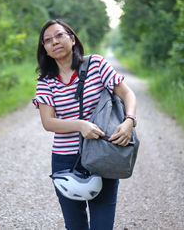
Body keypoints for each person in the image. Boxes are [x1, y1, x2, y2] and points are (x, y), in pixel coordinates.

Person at [33, 19, 137, 230]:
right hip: (64, 161)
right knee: (75, 226)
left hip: (102, 154)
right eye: (48, 40)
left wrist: (129, 121)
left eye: (60, 35)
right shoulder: (45, 80)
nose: (55, 41)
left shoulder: (96, 64)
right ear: (44, 48)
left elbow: (127, 93)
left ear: (72, 39)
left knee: (102, 225)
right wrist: (81, 125)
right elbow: (48, 122)